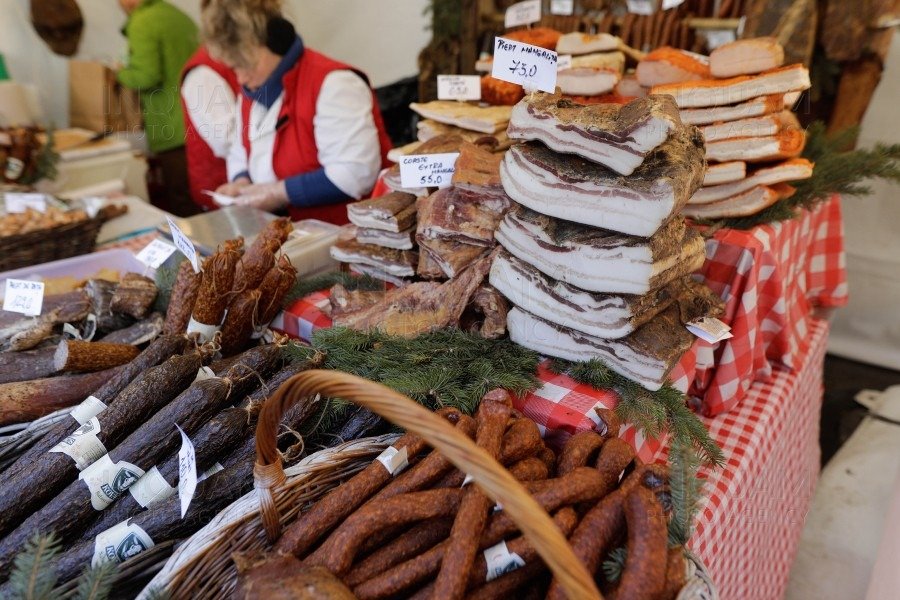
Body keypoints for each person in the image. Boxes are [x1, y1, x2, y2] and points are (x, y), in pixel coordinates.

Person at [202, 0, 392, 223]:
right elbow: (239, 152)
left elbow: (354, 175)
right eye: (234, 67)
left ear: (274, 42)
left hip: (350, 236)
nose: (241, 78)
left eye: (246, 65)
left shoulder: (335, 83)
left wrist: (276, 193)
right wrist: (241, 183)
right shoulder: (252, 91)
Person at [117, 0, 199, 216]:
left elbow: (146, 76)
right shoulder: (177, 15)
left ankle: (199, 250)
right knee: (200, 195)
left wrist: (120, 73)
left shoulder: (142, 21)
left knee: (182, 203)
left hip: (171, 123)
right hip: (198, 117)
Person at [181, 46, 240, 211]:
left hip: (238, 186)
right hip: (223, 188)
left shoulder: (225, 60)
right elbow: (225, 140)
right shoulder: (204, 74)